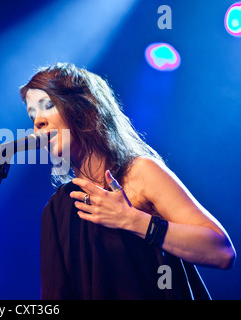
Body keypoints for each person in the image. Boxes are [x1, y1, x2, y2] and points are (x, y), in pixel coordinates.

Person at [19, 62, 236, 300]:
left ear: (84, 109)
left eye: (48, 105)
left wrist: (133, 220)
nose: (37, 122)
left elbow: (221, 252)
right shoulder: (58, 208)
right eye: (32, 114)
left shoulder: (140, 172)